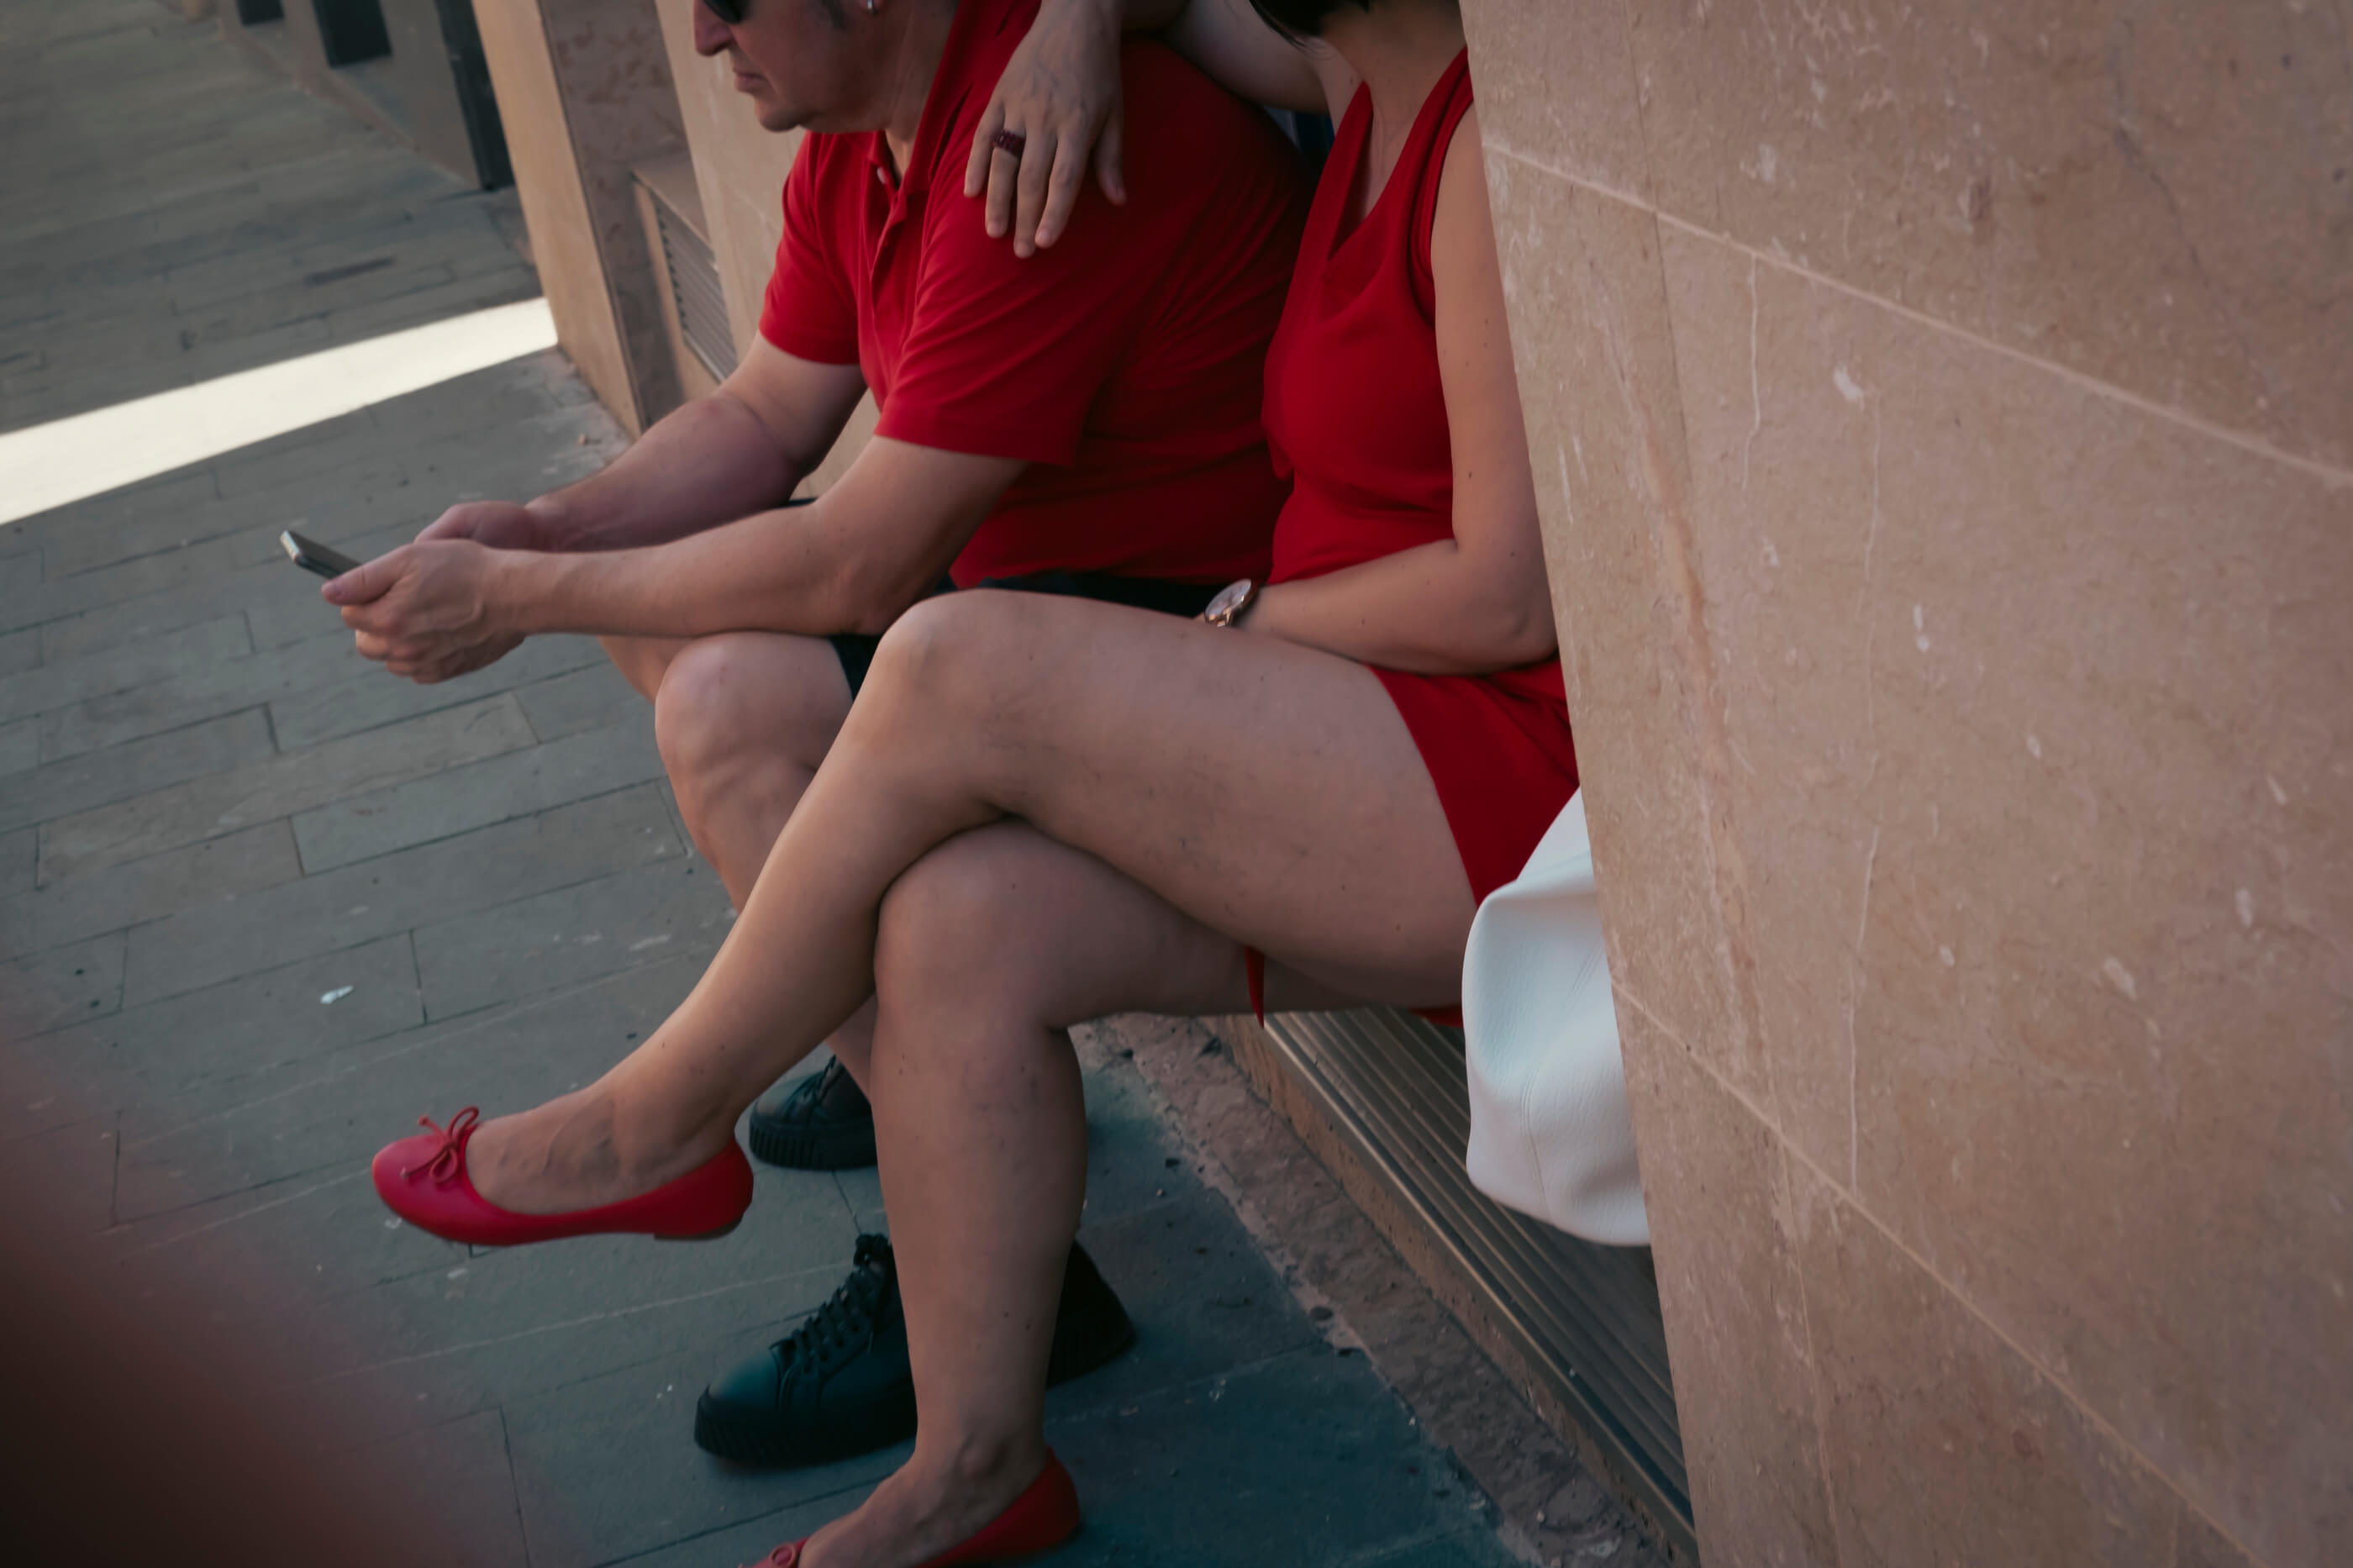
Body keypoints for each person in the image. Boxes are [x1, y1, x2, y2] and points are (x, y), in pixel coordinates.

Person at [370, 0, 1574, 1561]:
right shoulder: (1342, 78)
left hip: (1476, 777)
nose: (705, 31)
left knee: (940, 655)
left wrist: (1227, 619)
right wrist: (539, 538)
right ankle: (977, 1468)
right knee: (957, 919)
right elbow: (759, 411)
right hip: (1318, 724)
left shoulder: (1475, 136)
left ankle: (658, 1117)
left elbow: (1505, 603)